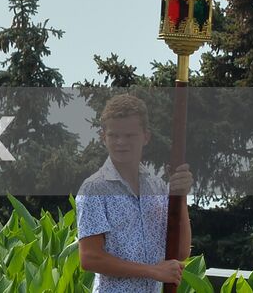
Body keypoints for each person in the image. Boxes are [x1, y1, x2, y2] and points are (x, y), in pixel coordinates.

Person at [77, 94, 193, 292]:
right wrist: (153, 271)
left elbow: (180, 252)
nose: (121, 142)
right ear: (103, 136)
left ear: (146, 137)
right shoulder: (94, 189)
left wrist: (180, 197)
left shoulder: (157, 188)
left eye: (130, 135)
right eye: (114, 135)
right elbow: (90, 258)